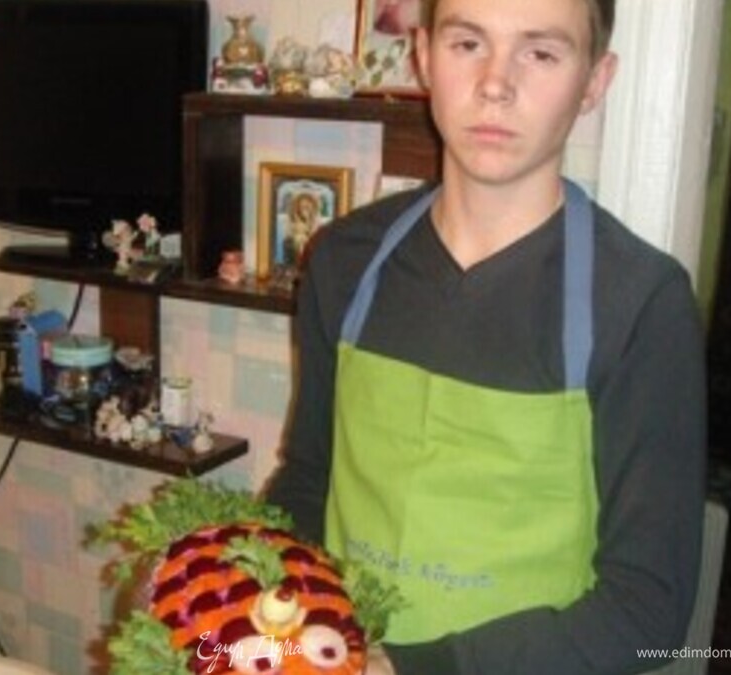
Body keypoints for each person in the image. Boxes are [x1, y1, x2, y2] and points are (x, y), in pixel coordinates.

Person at [266, 0, 706, 673]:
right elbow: (307, 480)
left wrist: (408, 668)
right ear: (423, 56)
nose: (496, 83)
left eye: (541, 53)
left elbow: (648, 608)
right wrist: (253, 603)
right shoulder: (344, 259)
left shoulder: (642, 302)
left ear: (594, 81)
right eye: (468, 44)